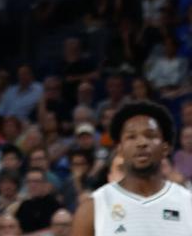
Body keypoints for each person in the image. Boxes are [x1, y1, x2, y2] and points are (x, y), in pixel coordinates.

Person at [73, 101, 192, 235]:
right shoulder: (92, 208)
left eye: (150, 135)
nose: (141, 143)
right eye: (131, 137)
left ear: (166, 148)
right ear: (120, 149)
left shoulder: (188, 203)